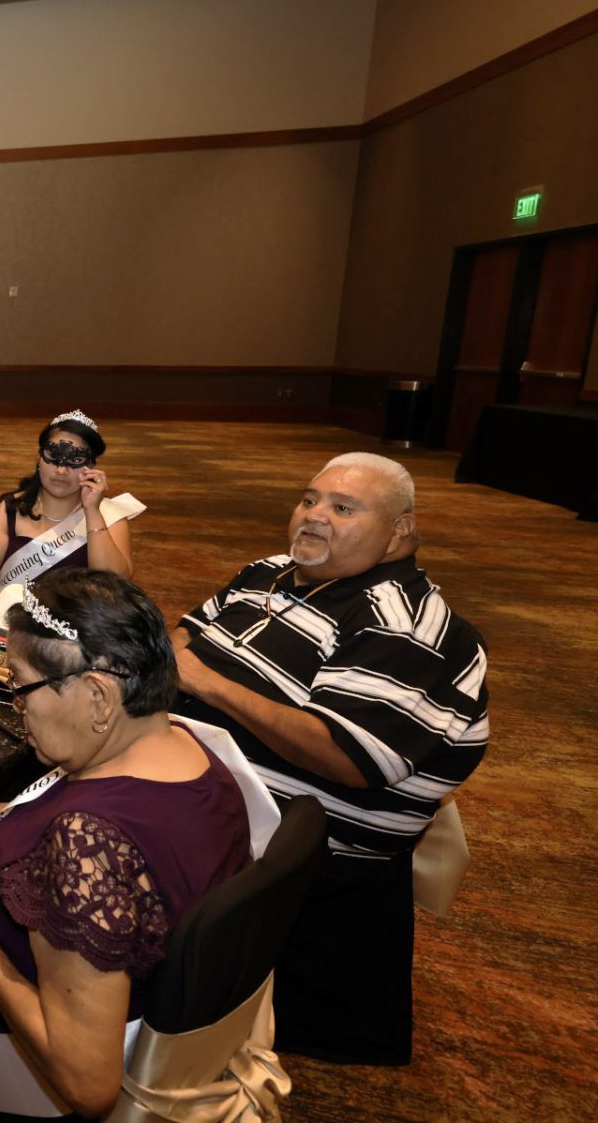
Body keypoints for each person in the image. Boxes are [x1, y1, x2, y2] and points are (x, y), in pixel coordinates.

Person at [0, 571, 269, 1119]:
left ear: (98, 696)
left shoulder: (85, 844)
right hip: (146, 1017)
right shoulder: (186, 745)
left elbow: (87, 1085)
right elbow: (136, 831)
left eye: (19, 686)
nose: (14, 704)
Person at [175, 451, 488, 1065]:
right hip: (199, 781)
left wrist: (203, 684)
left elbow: (346, 756)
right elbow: (183, 634)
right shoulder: (268, 572)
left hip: (293, 846)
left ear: (400, 530)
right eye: (309, 499)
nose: (314, 517)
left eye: (343, 508)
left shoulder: (408, 628)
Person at [0, 410, 138, 598]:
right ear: (40, 458)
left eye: (75, 460)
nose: (61, 470)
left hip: (81, 625)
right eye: (54, 457)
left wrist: (92, 512)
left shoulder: (108, 516)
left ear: (91, 466)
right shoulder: (8, 511)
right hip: (8, 624)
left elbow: (115, 585)